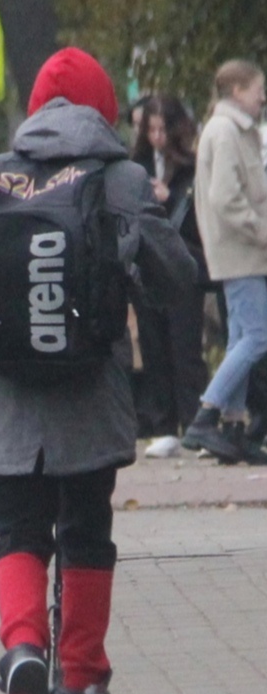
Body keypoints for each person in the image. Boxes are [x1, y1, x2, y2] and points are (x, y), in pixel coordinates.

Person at [0, 49, 195, 694]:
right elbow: (175, 280)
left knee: (16, 533)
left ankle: (22, 648)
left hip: (6, 403)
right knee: (85, 535)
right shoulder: (123, 178)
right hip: (90, 405)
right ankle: (80, 684)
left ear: (35, 108)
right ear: (104, 111)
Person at [182, 60, 267, 465]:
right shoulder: (227, 131)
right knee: (258, 336)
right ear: (237, 91)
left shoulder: (232, 130)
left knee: (239, 337)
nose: (262, 97)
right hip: (242, 250)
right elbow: (227, 198)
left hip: (240, 250)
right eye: (257, 90)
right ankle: (207, 414)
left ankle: (233, 429)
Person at [129, 96, 210, 457]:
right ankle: (164, 422)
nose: (157, 137)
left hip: (183, 261)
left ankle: (193, 418)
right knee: (153, 345)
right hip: (148, 265)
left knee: (184, 345)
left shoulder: (190, 166)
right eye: (151, 130)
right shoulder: (137, 165)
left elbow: (197, 215)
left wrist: (169, 194)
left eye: (163, 129)